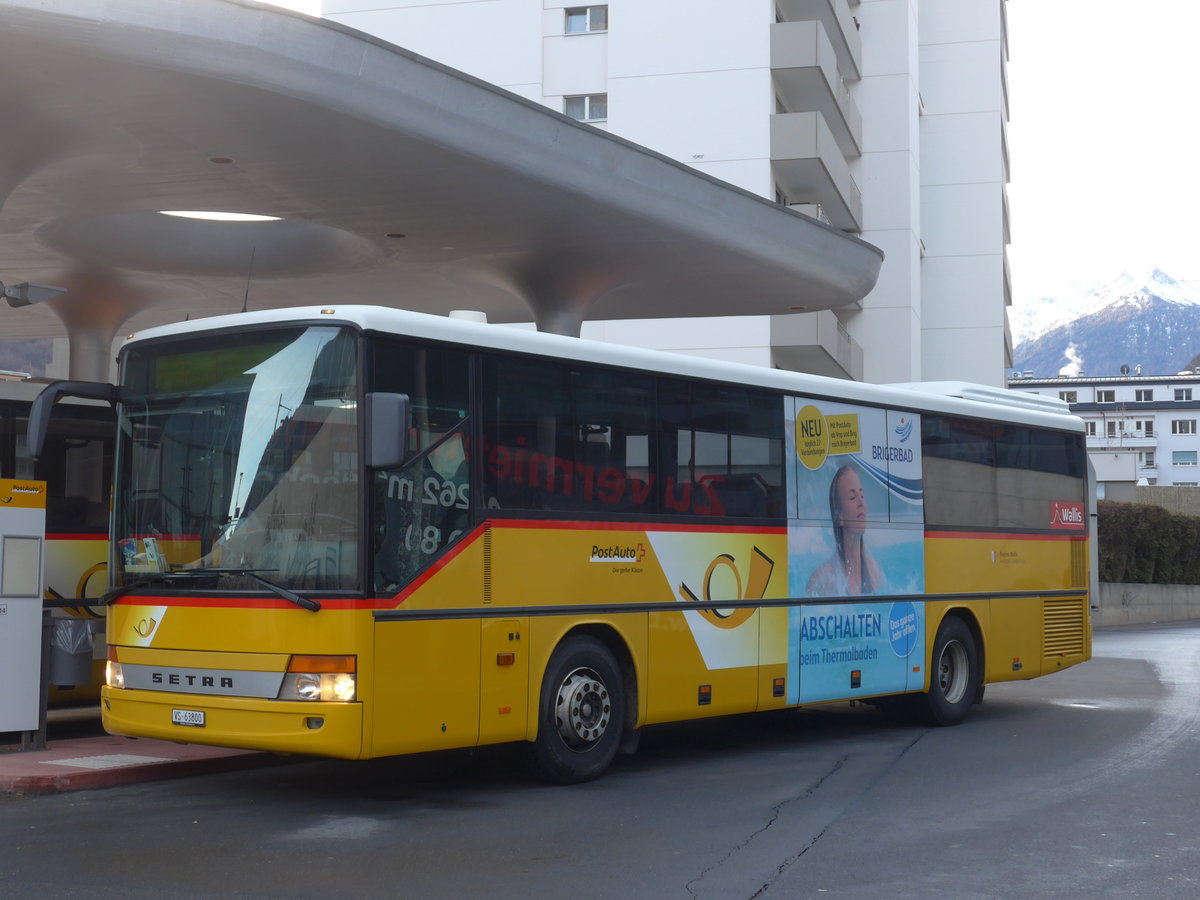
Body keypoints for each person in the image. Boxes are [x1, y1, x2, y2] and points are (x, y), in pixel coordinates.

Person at [806, 464, 884, 596]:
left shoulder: (874, 570)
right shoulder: (822, 579)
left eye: (862, 496)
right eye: (852, 497)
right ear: (839, 515)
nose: (861, 503)